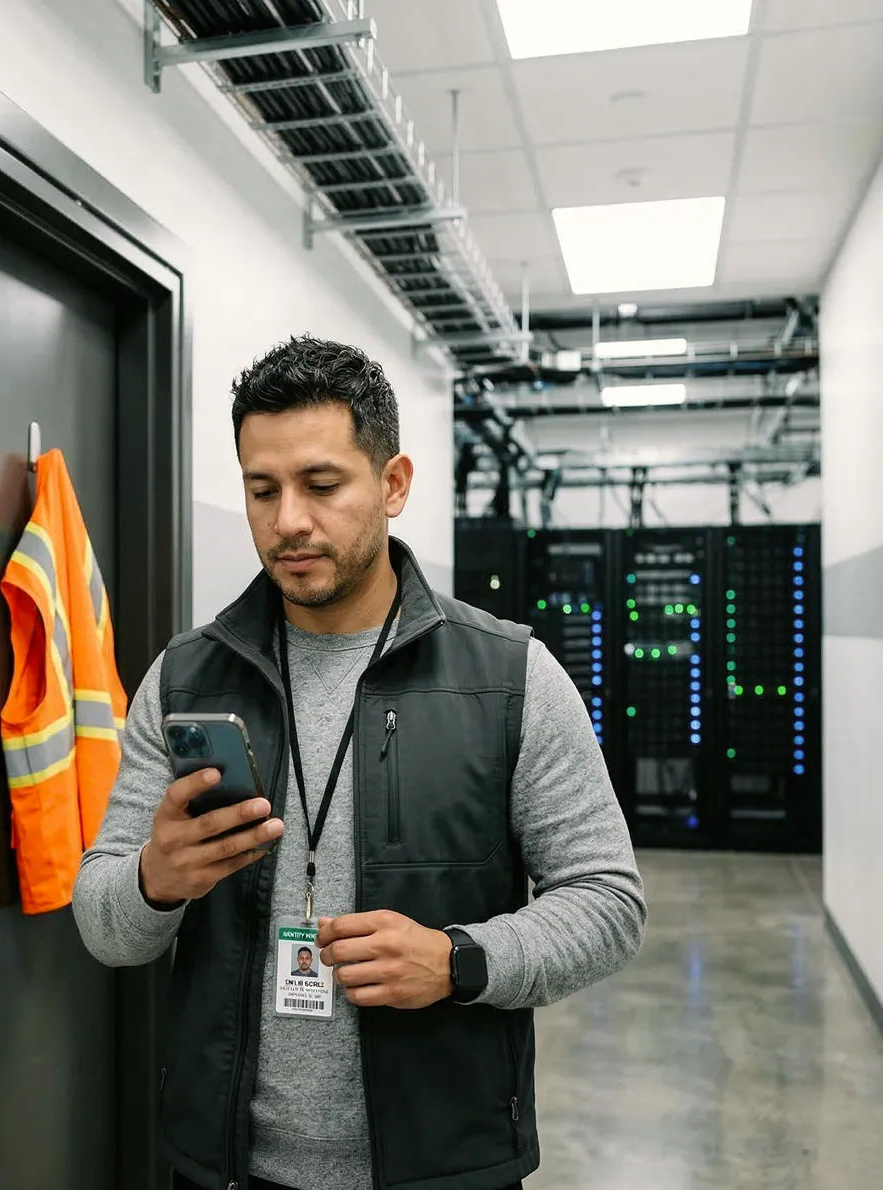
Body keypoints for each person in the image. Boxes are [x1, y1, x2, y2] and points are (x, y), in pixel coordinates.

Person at [73, 335, 647, 1190]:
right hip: (224, 1163)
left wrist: (459, 960)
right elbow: (103, 924)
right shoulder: (185, 676)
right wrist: (156, 878)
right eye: (261, 490)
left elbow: (608, 905)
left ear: (393, 484)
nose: (288, 520)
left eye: (322, 484)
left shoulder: (511, 677)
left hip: (445, 1163)